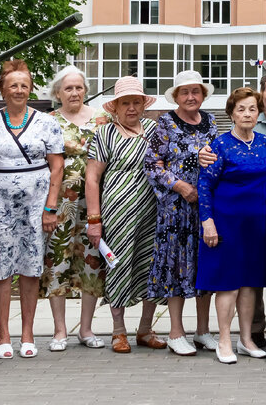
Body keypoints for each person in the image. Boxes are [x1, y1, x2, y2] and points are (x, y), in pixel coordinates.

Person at [0, 60, 64, 359]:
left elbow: (57, 167)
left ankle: (28, 333)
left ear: (31, 90)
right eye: (13, 85)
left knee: (31, 267)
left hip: (36, 203)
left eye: (24, 85)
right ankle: (3, 336)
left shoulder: (46, 122)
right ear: (2, 89)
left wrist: (50, 207)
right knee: (1, 267)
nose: (18, 90)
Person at [85, 76, 165, 354]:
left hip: (153, 213)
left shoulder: (156, 130)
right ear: (115, 107)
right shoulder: (105, 134)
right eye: (125, 103)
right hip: (117, 215)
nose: (131, 108)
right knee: (118, 268)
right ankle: (118, 331)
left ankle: (145, 329)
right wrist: (94, 220)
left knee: (152, 269)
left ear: (144, 104)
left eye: (136, 102)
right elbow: (92, 178)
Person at [197, 87, 266, 364]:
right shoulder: (220, 145)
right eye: (241, 109)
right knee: (227, 284)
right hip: (225, 222)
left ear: (259, 112)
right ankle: (224, 341)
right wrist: (208, 223)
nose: (247, 114)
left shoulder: (265, 143)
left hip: (255, 224)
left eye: (252, 108)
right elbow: (204, 184)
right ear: (231, 113)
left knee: (250, 283)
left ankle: (246, 339)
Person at [145, 71, 216, 356]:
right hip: (175, 209)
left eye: (195, 92)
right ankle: (176, 332)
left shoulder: (210, 122)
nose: (190, 97)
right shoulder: (164, 123)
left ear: (203, 95)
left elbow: (217, 157)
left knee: (204, 265)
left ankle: (202, 330)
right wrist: (181, 185)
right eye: (184, 92)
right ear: (176, 96)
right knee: (176, 267)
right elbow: (152, 164)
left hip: (205, 207)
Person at [42, 65, 109, 351]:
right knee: (57, 261)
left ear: (85, 90)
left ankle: (86, 329)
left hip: (95, 203)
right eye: (68, 88)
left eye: (78, 87)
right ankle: (59, 331)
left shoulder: (102, 119)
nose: (74, 92)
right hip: (60, 204)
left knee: (92, 262)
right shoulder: (48, 121)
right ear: (57, 93)